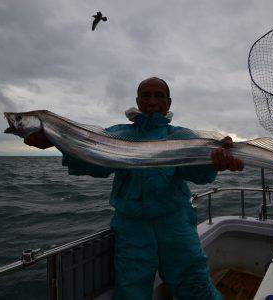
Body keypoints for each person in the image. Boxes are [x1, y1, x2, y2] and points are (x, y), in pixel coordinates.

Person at [25, 77, 244, 300]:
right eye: (146, 95)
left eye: (159, 96)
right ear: (137, 101)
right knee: (131, 292)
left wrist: (216, 162)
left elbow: (196, 174)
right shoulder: (116, 134)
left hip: (176, 223)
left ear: (169, 102)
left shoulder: (182, 136)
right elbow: (94, 164)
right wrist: (58, 142)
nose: (152, 101)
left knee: (195, 284)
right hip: (132, 227)